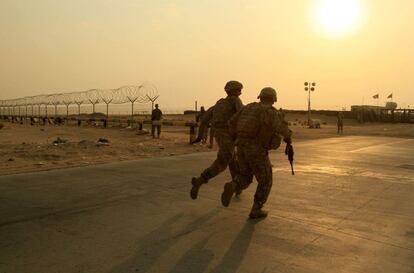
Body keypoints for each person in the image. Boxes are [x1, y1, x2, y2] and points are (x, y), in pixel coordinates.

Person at [221, 87, 292, 219]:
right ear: (273, 99)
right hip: (256, 150)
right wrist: (289, 137)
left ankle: (233, 185)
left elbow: (231, 122)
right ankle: (256, 209)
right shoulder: (270, 112)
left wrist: (236, 137)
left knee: (245, 176)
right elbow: (281, 128)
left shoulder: (248, 107)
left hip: (240, 147)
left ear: (261, 96)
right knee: (266, 179)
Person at [190, 80, 244, 200]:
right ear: (235, 91)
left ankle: (236, 187)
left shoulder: (219, 104)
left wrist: (199, 136)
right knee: (222, 162)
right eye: (239, 90)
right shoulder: (235, 100)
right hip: (228, 135)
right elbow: (242, 114)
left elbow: (204, 120)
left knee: (232, 160)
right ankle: (200, 180)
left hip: (219, 135)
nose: (240, 92)